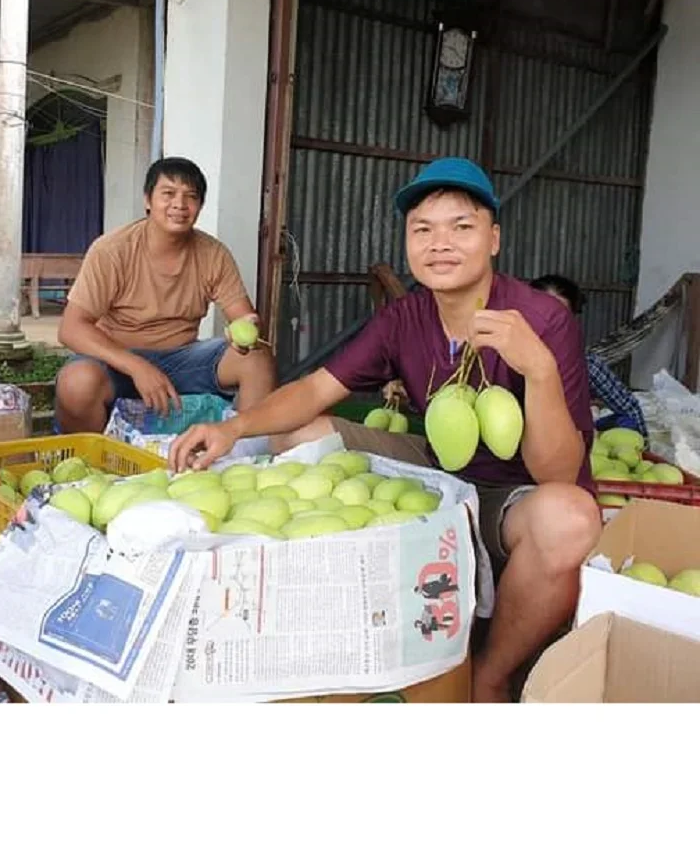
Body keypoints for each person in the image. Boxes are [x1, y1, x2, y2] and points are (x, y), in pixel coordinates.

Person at [169, 156, 601, 704]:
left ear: (493, 239)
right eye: (423, 229)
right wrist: (234, 428)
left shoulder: (542, 319)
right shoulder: (406, 318)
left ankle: (490, 673)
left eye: (461, 227)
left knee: (569, 518)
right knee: (303, 434)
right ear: (408, 243)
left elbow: (559, 473)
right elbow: (315, 390)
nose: (440, 243)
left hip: (514, 495)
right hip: (440, 475)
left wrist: (536, 368)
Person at [55, 156, 276, 433]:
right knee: (76, 383)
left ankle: (244, 454)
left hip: (184, 360)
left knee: (257, 359)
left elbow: (244, 316)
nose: (179, 205)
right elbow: (71, 328)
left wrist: (246, 329)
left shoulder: (213, 254)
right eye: (168, 194)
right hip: (117, 360)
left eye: (190, 197)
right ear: (148, 200)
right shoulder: (112, 250)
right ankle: (92, 467)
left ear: (200, 206)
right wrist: (137, 366)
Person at [529, 274, 648, 438]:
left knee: (625, 424)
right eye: (542, 314)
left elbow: (629, 408)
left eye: (559, 317)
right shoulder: (502, 358)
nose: (549, 326)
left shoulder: (585, 364)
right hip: (515, 444)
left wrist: (642, 450)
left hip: (567, 443)